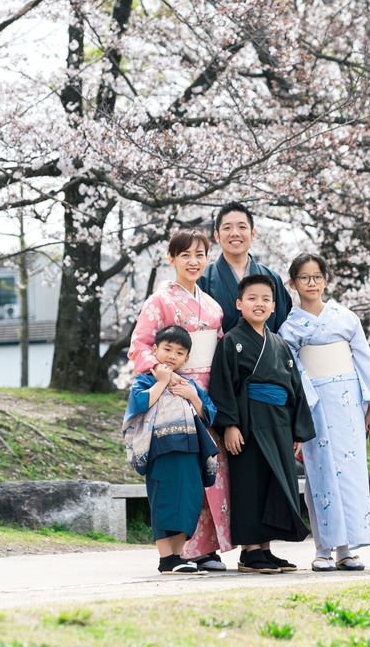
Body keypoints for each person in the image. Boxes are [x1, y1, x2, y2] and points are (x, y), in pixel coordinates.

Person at [129, 227, 232, 571]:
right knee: (181, 471)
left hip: (205, 391)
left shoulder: (213, 306)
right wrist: (166, 374)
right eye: (185, 255)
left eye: (199, 254)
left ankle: (205, 548)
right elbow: (139, 347)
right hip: (173, 391)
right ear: (171, 259)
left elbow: (217, 351)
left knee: (210, 469)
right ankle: (181, 551)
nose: (193, 261)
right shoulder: (159, 301)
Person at [279, 254, 370, 572]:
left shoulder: (346, 318)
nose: (311, 283)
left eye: (317, 277)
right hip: (314, 403)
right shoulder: (289, 326)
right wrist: (304, 405)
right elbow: (294, 370)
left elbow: (364, 361)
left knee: (351, 472)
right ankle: (324, 547)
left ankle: (347, 548)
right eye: (304, 277)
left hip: (349, 402)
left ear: (326, 280)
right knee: (320, 472)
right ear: (293, 283)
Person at [208, 274, 315, 573]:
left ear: (273, 306)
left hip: (279, 422)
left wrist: (298, 429)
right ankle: (249, 551)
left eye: (266, 299)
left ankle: (265, 548)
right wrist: (229, 424)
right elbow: (223, 384)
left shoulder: (280, 345)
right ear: (239, 304)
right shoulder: (232, 341)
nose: (259, 304)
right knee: (250, 484)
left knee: (275, 485)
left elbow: (295, 388)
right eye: (252, 298)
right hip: (249, 422)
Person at [124, 324, 215, 575]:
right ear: (154, 350)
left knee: (189, 500)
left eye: (179, 352)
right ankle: (166, 558)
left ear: (186, 358)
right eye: (167, 349)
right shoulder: (145, 379)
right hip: (161, 449)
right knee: (164, 500)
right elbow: (139, 404)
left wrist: (192, 396)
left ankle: (177, 556)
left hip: (190, 449)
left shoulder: (189, 384)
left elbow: (209, 415)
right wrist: (161, 382)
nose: (172, 356)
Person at [201, 202, 291, 334]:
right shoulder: (203, 279)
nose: (235, 233)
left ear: (253, 233)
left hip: (266, 355)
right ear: (216, 236)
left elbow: (283, 331)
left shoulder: (272, 278)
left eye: (242, 227)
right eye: (227, 228)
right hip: (220, 354)